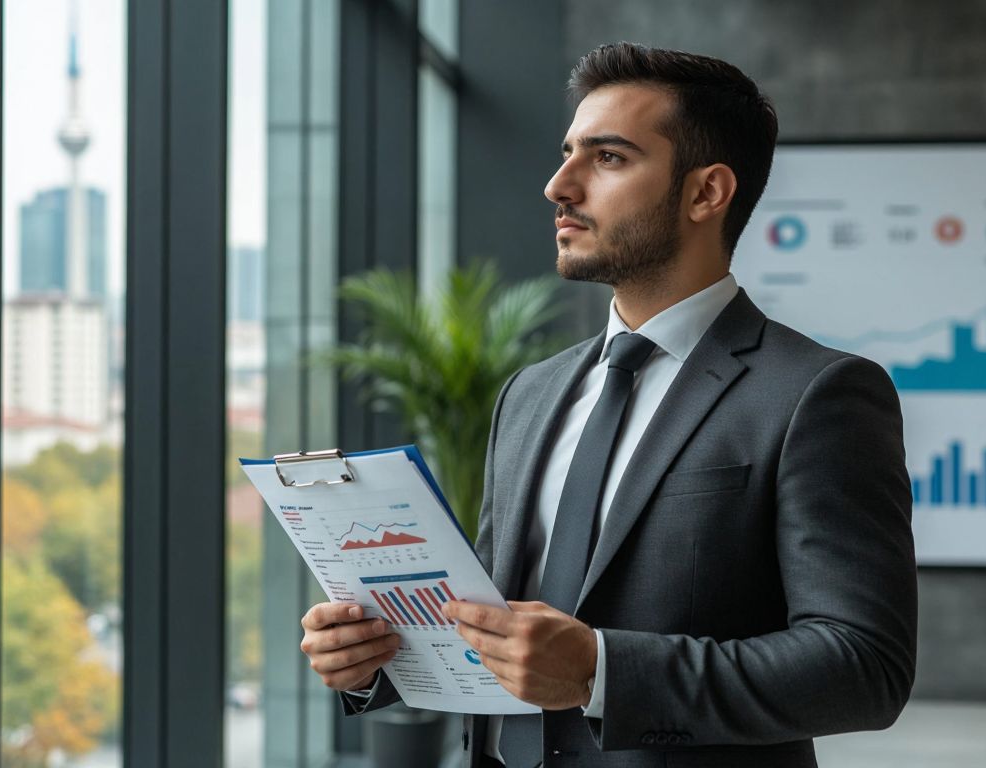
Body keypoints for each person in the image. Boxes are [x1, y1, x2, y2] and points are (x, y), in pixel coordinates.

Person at [299, 42, 917, 767]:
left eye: (609, 158)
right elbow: (499, 629)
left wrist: (601, 672)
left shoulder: (817, 393)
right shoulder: (529, 394)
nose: (559, 185)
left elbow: (864, 667)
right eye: (567, 153)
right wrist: (378, 659)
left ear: (705, 193)